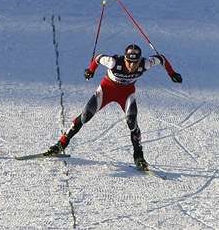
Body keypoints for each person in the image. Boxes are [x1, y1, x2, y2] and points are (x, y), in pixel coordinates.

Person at [42, 44, 183, 170]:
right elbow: (98, 57)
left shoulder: (145, 64)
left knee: (131, 122)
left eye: (135, 62)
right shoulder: (114, 62)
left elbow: (161, 58)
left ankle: (139, 156)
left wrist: (172, 74)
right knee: (85, 116)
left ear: (140, 60)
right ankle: (62, 144)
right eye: (129, 61)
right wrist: (90, 70)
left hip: (126, 94)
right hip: (107, 90)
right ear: (125, 58)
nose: (132, 65)